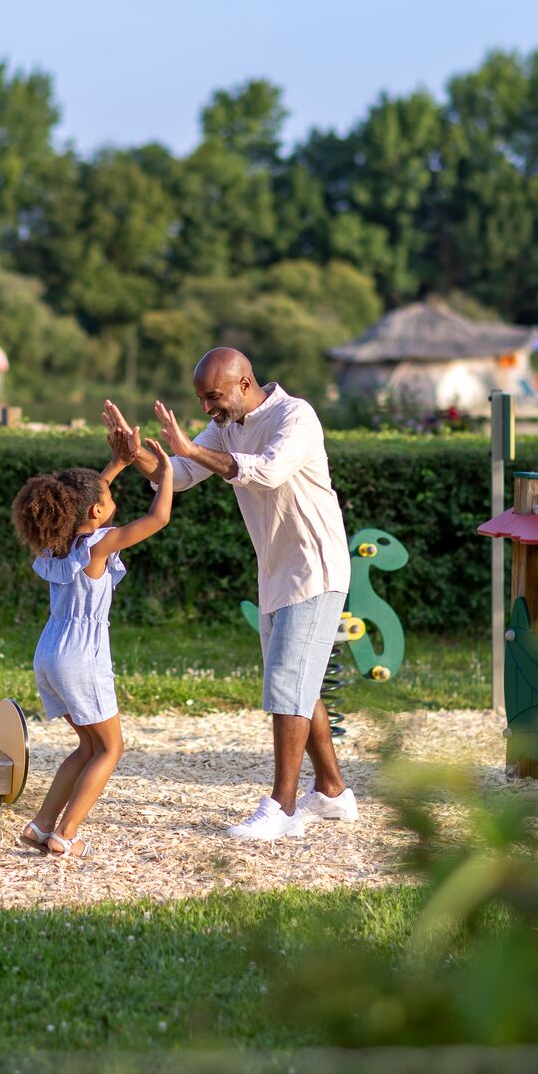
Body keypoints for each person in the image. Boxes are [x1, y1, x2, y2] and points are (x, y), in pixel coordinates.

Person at [105, 349, 358, 841]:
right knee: (296, 682)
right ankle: (332, 792)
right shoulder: (226, 426)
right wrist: (133, 452)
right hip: (277, 572)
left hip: (315, 568)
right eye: (202, 400)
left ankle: (281, 809)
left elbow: (265, 471)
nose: (207, 410)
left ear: (245, 383)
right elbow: (175, 476)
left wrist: (191, 449)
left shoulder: (296, 415)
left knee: (287, 684)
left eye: (213, 397)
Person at [8, 425, 173, 856]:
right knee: (111, 748)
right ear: (97, 512)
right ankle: (67, 835)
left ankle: (41, 827)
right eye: (109, 499)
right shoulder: (100, 544)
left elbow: (84, 502)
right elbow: (159, 518)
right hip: (82, 655)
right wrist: (167, 473)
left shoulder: (55, 544)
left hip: (49, 651)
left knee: (87, 745)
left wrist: (117, 464)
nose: (113, 501)